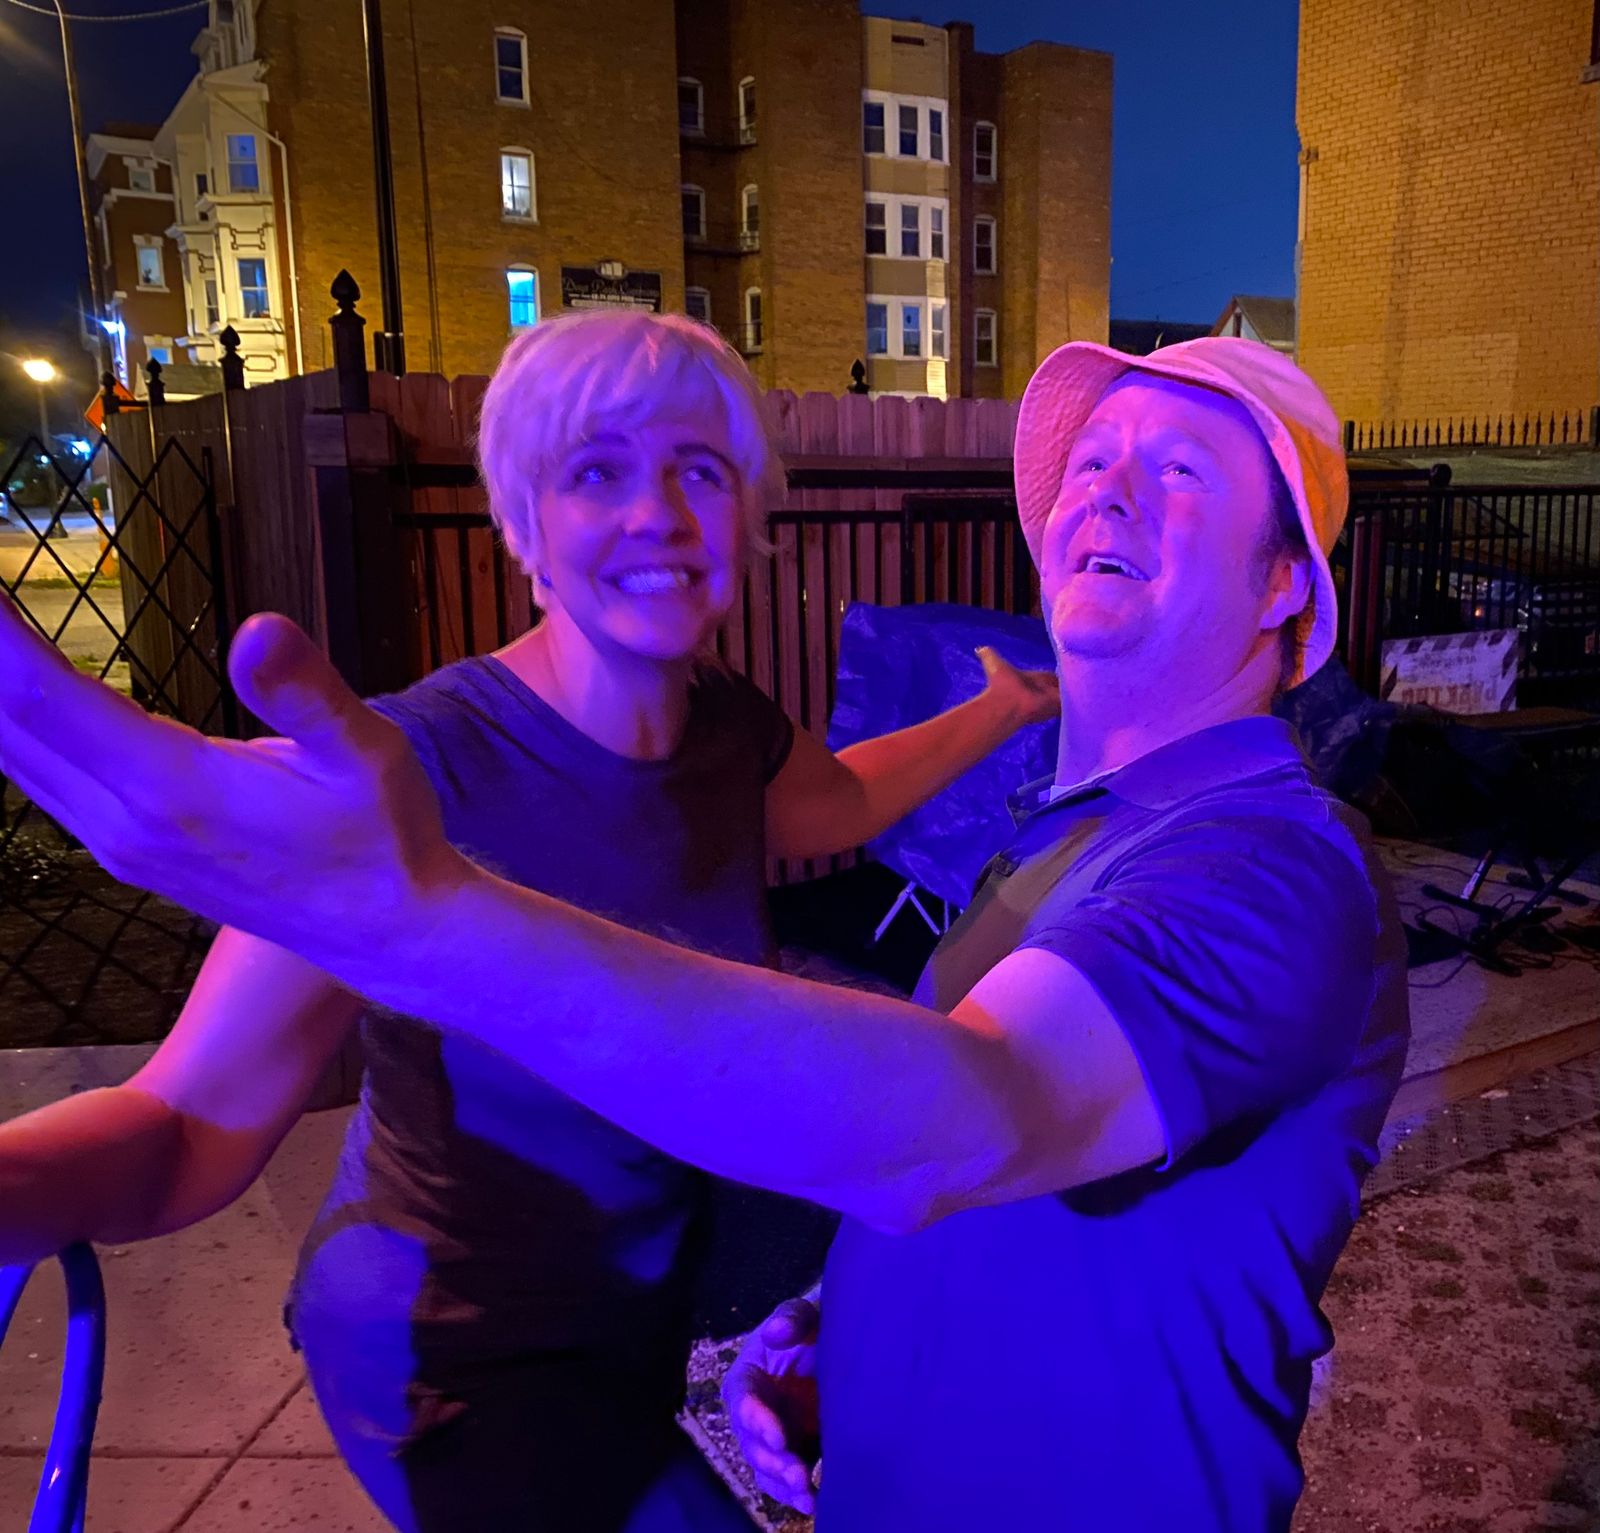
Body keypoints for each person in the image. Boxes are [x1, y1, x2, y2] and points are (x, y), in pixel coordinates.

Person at [0, 335, 1410, 1531]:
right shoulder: (404, 774)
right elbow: (183, 1121)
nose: (657, 513)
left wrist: (998, 707)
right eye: (595, 472)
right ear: (517, 524)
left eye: (699, 470)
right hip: (459, 1356)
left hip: (643, 1332)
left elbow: (953, 1068)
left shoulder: (1231, 856)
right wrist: (850, 1330)